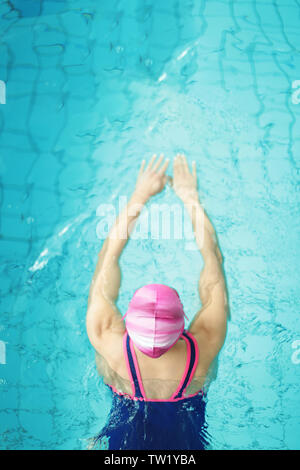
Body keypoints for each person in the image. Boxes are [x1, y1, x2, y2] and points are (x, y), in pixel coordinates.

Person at [86, 154, 228, 450]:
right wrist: (190, 198)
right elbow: (214, 262)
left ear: (126, 322)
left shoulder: (107, 340)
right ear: (182, 326)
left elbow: (106, 261)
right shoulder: (203, 346)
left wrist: (139, 196)